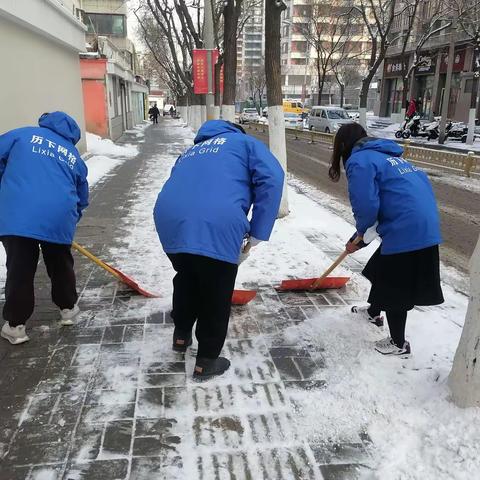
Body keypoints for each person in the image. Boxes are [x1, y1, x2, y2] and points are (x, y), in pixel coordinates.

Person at [154, 120, 284, 379]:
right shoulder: (245, 144)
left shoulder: (191, 151)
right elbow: (273, 177)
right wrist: (258, 232)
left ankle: (181, 336)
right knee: (216, 290)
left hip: (169, 218)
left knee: (188, 276)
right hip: (217, 221)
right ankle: (206, 361)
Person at [328, 123, 444, 356]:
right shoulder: (391, 157)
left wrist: (360, 237)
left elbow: (367, 206)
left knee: (395, 287)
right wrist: (360, 238)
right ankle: (373, 313)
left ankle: (398, 344)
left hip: (406, 229)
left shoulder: (360, 161)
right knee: (379, 268)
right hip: (423, 225)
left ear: (343, 145)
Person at [0, 112, 89, 345]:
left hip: (18, 214)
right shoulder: (72, 155)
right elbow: (82, 197)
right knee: (60, 264)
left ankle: (16, 326)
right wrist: (68, 219)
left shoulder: (22, 135)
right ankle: (68, 309)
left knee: (20, 269)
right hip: (59, 215)